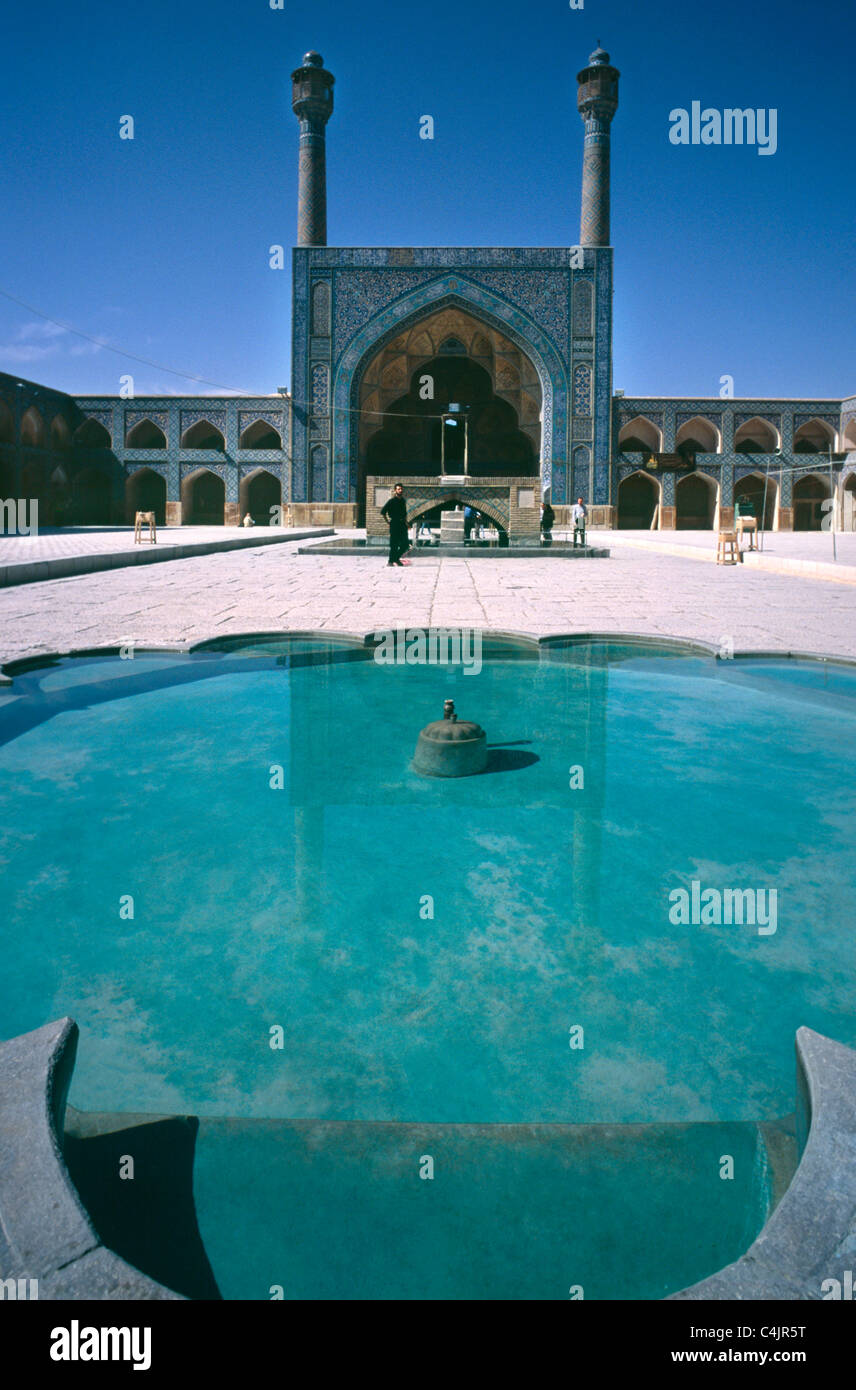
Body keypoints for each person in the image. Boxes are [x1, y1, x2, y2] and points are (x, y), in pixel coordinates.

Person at [381, 482, 411, 566]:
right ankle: (391, 561)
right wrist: (388, 522)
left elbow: (404, 514)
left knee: (405, 544)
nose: (400, 490)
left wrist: (407, 523)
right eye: (398, 489)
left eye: (401, 489)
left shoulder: (403, 501)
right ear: (395, 491)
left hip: (402, 524)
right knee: (394, 544)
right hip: (394, 523)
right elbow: (383, 512)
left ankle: (396, 559)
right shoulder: (391, 501)